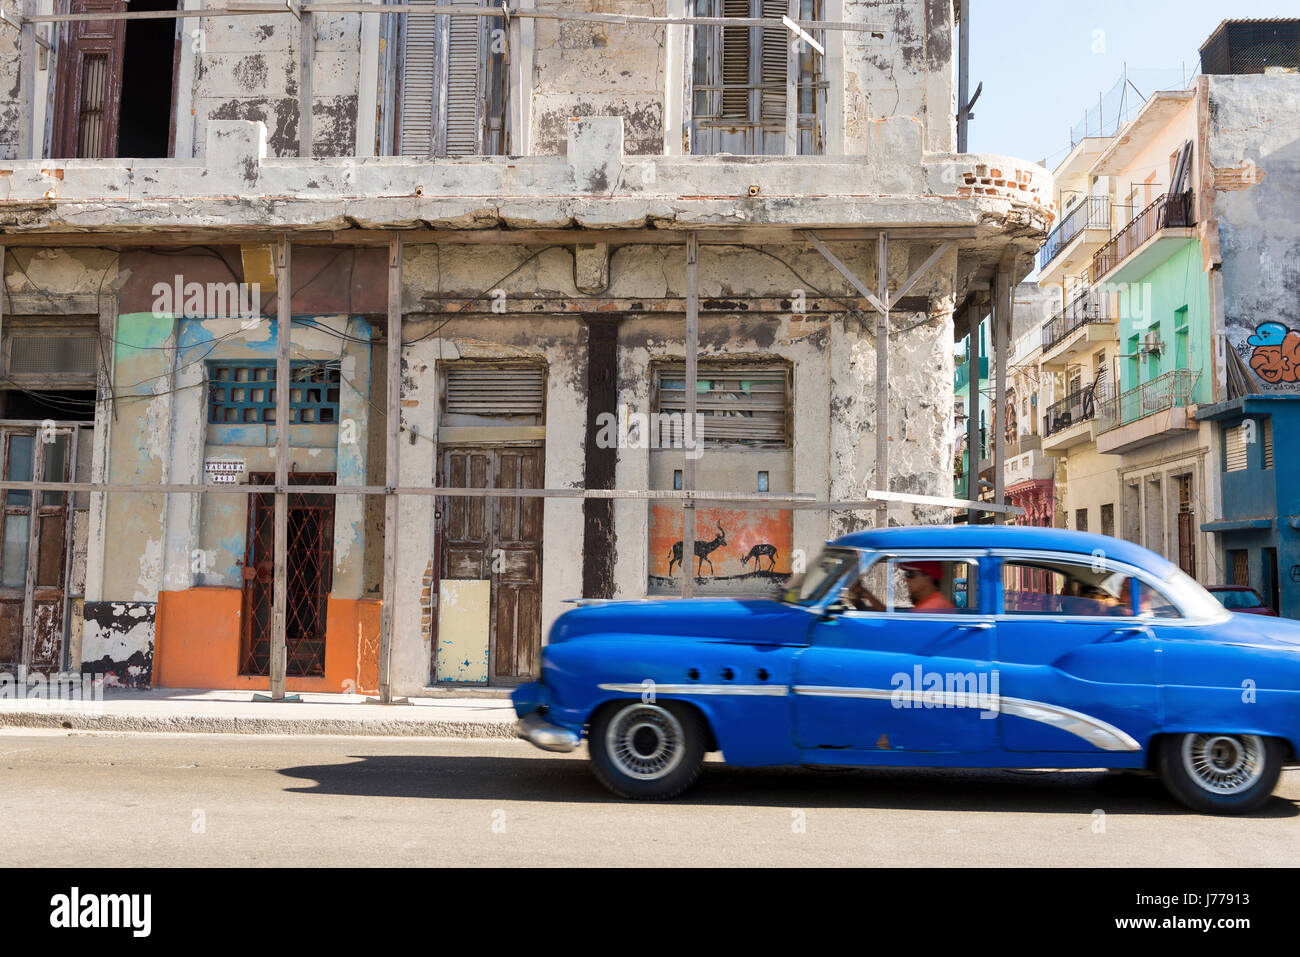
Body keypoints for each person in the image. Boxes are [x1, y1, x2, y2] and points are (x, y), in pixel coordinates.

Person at [844, 560, 956, 613]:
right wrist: (866, 595)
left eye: (910, 574)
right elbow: (891, 615)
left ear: (927, 578)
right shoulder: (933, 602)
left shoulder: (929, 608)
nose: (905, 579)